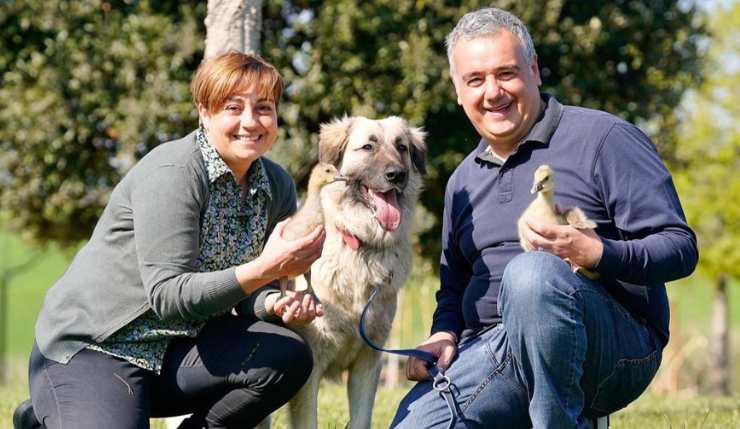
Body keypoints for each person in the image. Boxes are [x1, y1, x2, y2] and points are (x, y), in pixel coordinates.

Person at [390, 7, 697, 429]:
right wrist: (444, 333)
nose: (492, 92)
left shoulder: (603, 139)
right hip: (492, 351)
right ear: (458, 90)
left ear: (534, 70)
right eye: (475, 80)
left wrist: (596, 252)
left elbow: (680, 248)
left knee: (532, 275)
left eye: (506, 73)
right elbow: (453, 288)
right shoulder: (462, 180)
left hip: (612, 349)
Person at [13, 52, 326, 429]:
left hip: (177, 349)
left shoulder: (275, 185)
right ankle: (54, 409)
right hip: (98, 348)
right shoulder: (174, 172)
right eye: (233, 107)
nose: (250, 122)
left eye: (264, 108)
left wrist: (276, 301)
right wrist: (266, 268)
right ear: (204, 111)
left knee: (287, 355)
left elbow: (245, 293)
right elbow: (170, 296)